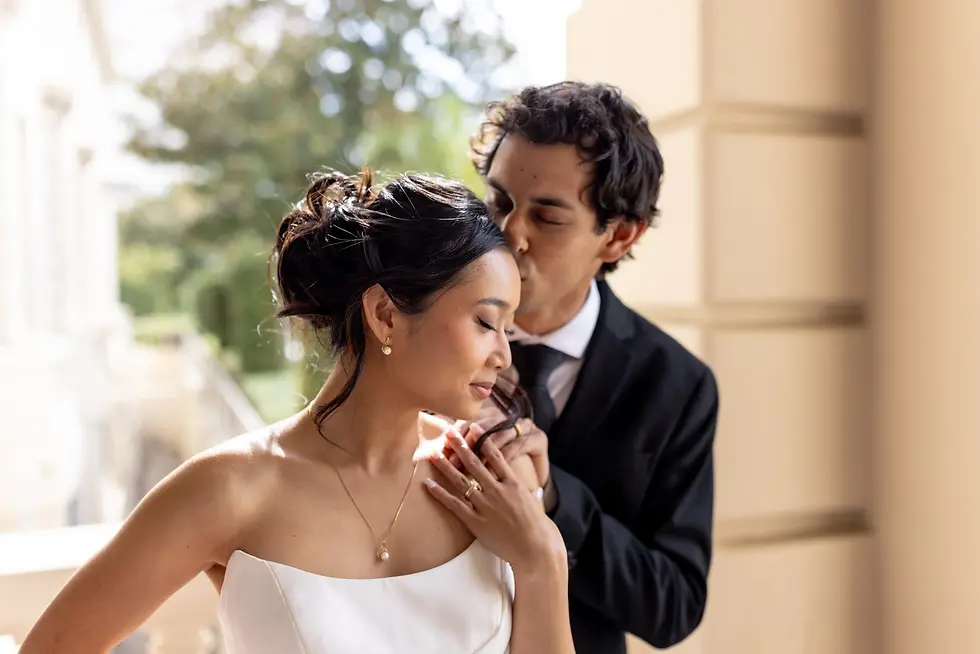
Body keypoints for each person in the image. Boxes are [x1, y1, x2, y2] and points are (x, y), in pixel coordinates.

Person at [19, 171, 576, 654]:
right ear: (385, 315)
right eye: (485, 322)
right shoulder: (232, 488)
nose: (502, 354)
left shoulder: (492, 477)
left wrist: (543, 560)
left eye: (508, 328)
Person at [441, 81, 720, 653]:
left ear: (618, 236)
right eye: (498, 202)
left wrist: (549, 497)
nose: (508, 234)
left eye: (546, 217)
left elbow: (674, 607)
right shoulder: (429, 334)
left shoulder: (677, 386)